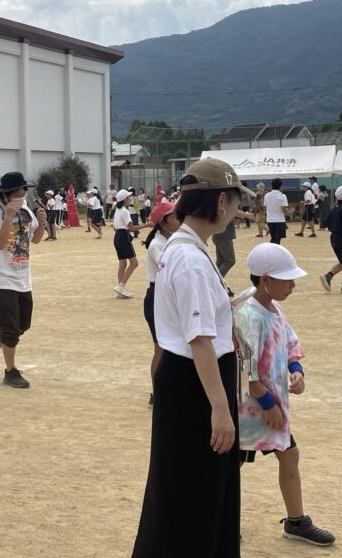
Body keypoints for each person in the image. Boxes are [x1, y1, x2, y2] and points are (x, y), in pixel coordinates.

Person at [132, 158, 254, 558]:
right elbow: (200, 340)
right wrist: (220, 409)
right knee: (192, 489)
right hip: (196, 383)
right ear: (221, 201)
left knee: (188, 485)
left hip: (189, 377)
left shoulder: (184, 248)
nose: (237, 211)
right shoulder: (190, 259)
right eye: (236, 202)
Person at [237, 243, 335, 546]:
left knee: (289, 455)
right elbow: (247, 369)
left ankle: (296, 521)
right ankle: (220, 521)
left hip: (273, 406)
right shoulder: (248, 315)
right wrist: (267, 404)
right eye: (287, 280)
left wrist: (296, 369)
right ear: (265, 279)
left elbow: (290, 343)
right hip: (250, 411)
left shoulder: (275, 308)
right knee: (229, 466)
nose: (293, 286)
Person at [0, 172, 47, 389]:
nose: (22, 195)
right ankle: (11, 371)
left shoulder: (25, 211)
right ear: (6, 195)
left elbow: (35, 239)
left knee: (21, 325)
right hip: (0, 281)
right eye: (18, 192)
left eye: (24, 190)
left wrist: (42, 223)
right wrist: (7, 217)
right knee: (9, 328)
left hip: (22, 278)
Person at [142, 201, 180, 406]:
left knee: (170, 346)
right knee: (160, 348)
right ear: (164, 223)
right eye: (174, 217)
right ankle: (156, 392)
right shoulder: (157, 244)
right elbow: (170, 269)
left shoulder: (171, 240)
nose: (179, 219)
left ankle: (165, 389)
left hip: (166, 295)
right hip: (157, 295)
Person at [112, 189, 149, 298]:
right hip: (123, 237)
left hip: (117, 237)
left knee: (122, 264)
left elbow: (115, 226)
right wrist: (147, 225)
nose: (130, 199)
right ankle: (121, 286)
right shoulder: (125, 211)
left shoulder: (118, 210)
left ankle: (121, 289)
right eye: (128, 197)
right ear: (124, 200)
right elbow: (131, 228)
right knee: (134, 263)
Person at [264, 178, 289, 245]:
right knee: (277, 240)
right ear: (280, 186)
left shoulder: (267, 195)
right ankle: (272, 252)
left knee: (274, 238)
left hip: (269, 220)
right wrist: (288, 213)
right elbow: (283, 209)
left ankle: (271, 251)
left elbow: (266, 207)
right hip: (279, 220)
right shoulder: (283, 196)